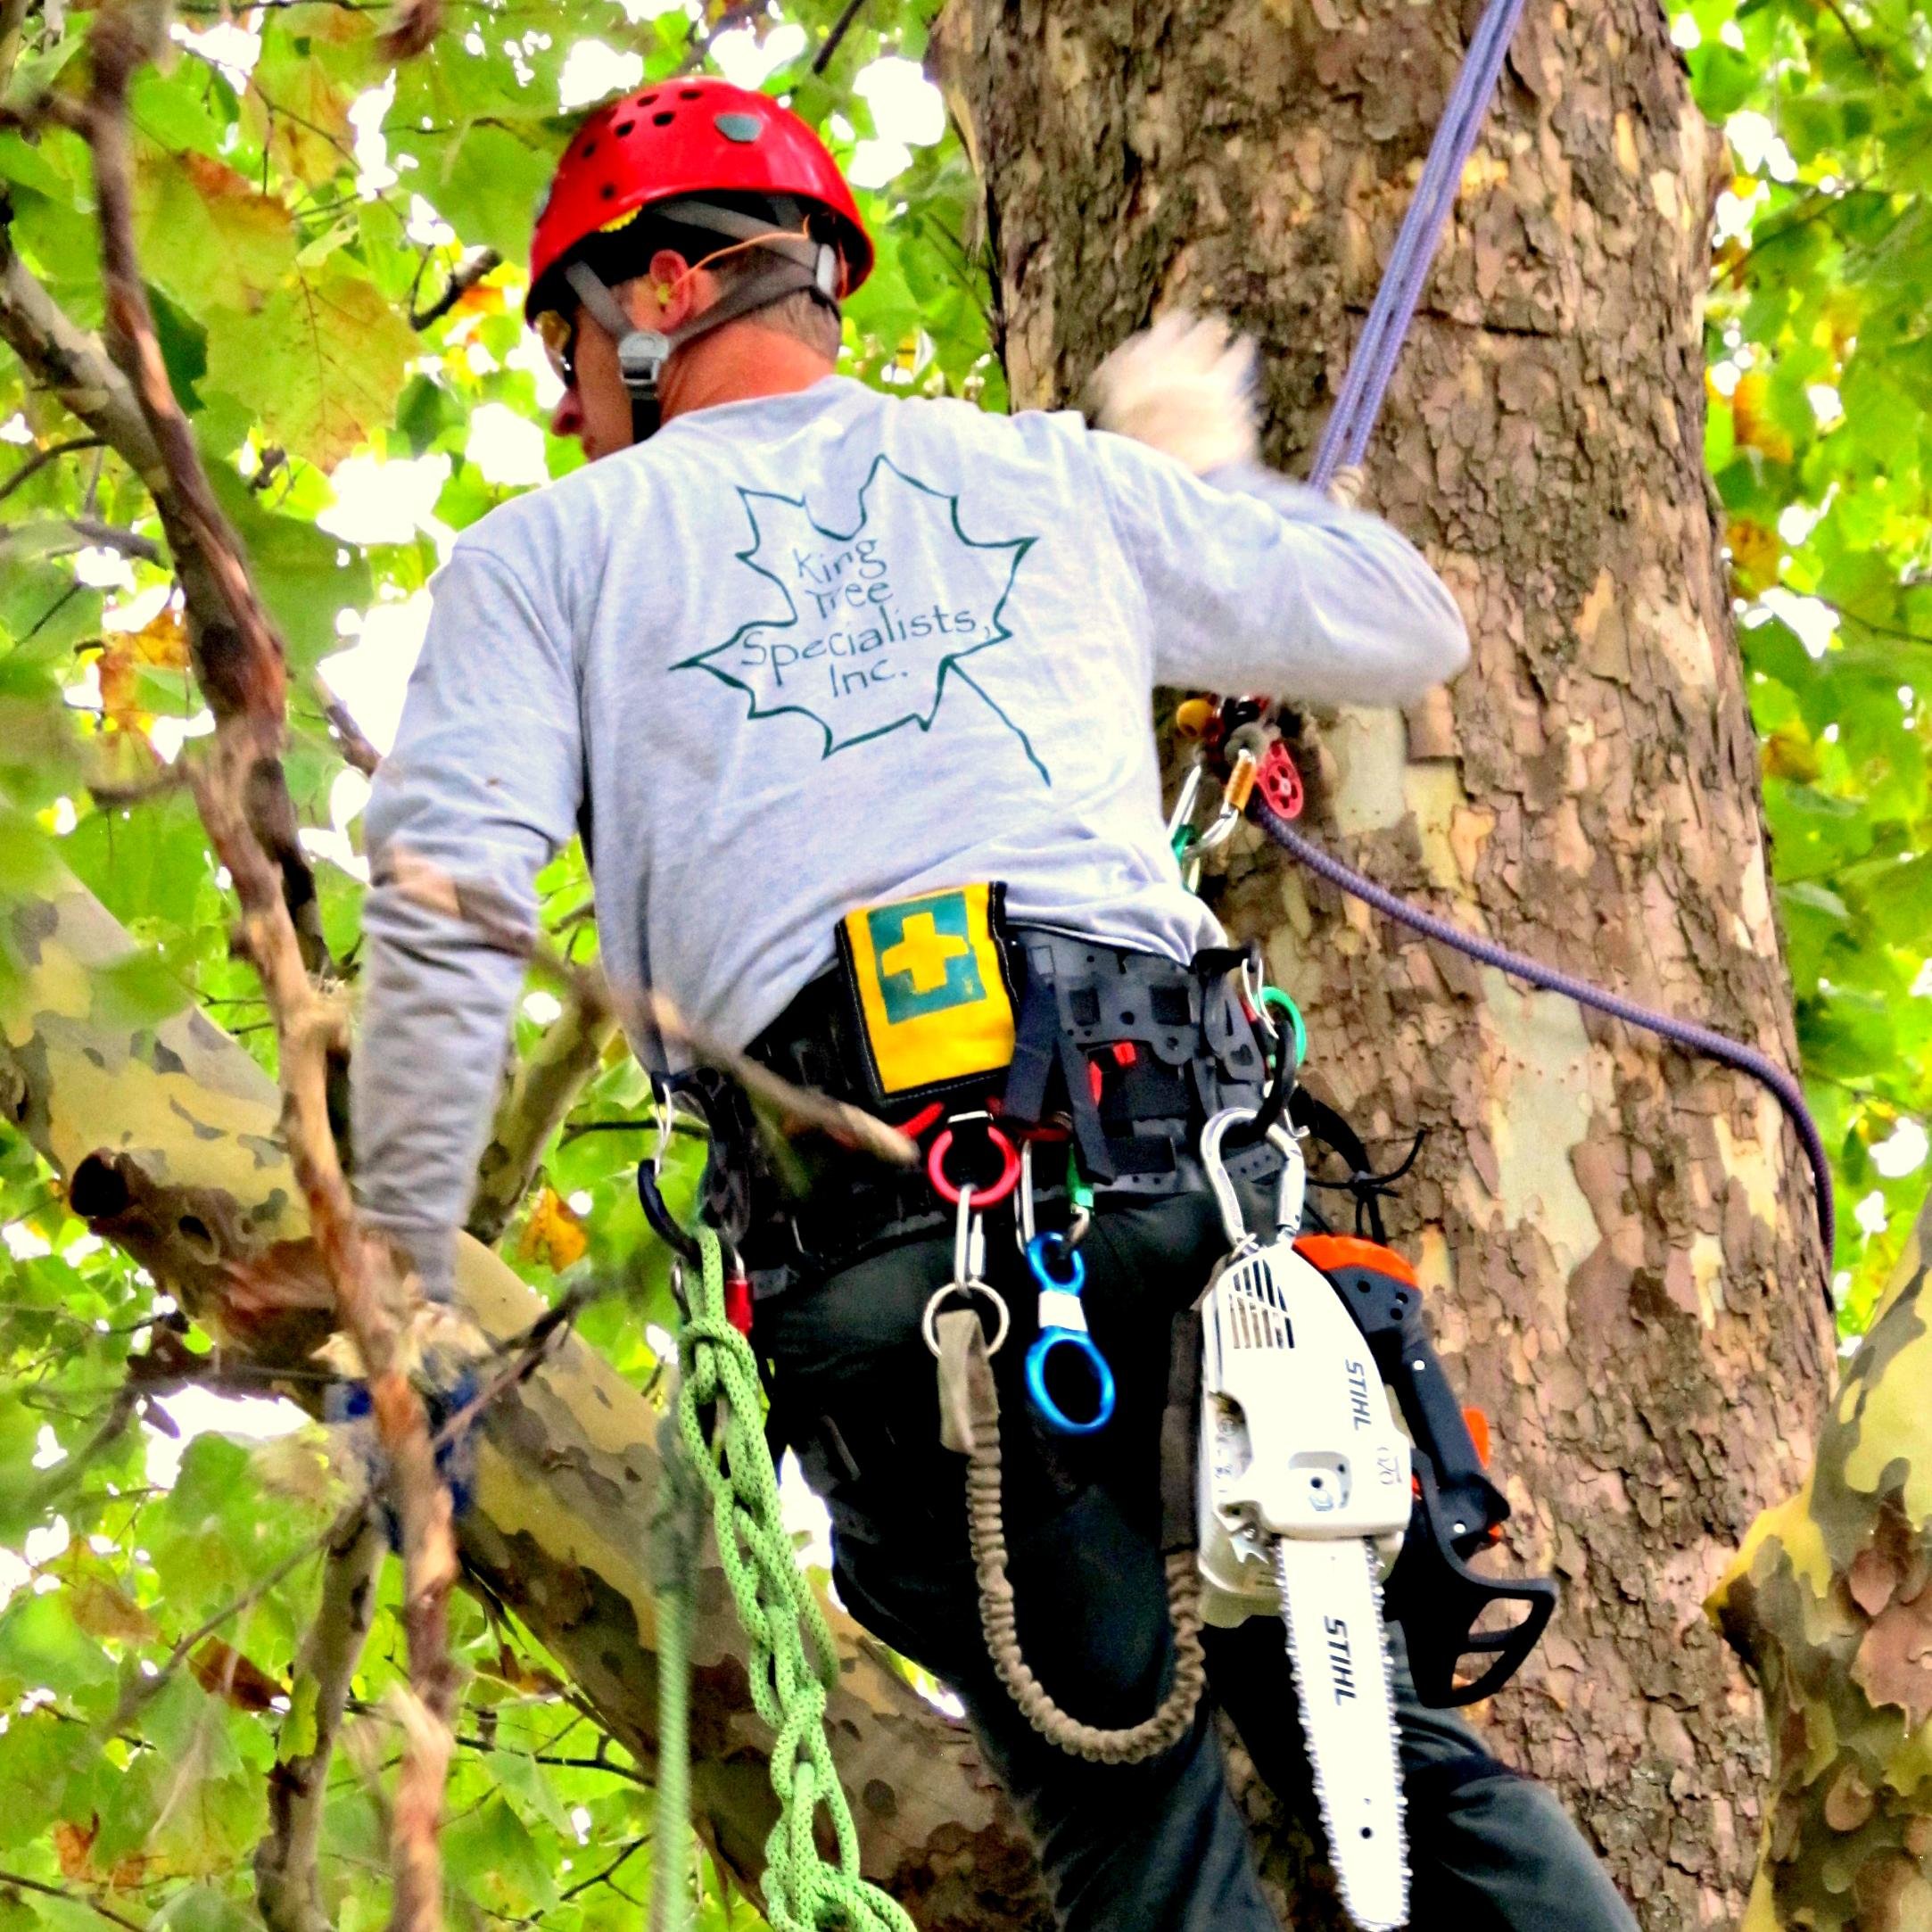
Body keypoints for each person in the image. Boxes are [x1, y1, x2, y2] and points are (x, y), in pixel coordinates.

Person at [351, 74, 1639, 1932]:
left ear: (656, 295)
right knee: (1399, 1760)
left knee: (1136, 1825)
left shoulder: (550, 557)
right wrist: (1195, 477)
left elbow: (451, 914)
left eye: (567, 342)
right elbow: (1397, 620)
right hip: (1186, 1193)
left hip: (893, 1257)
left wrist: (398, 1288)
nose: (565, 400)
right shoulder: (1050, 476)